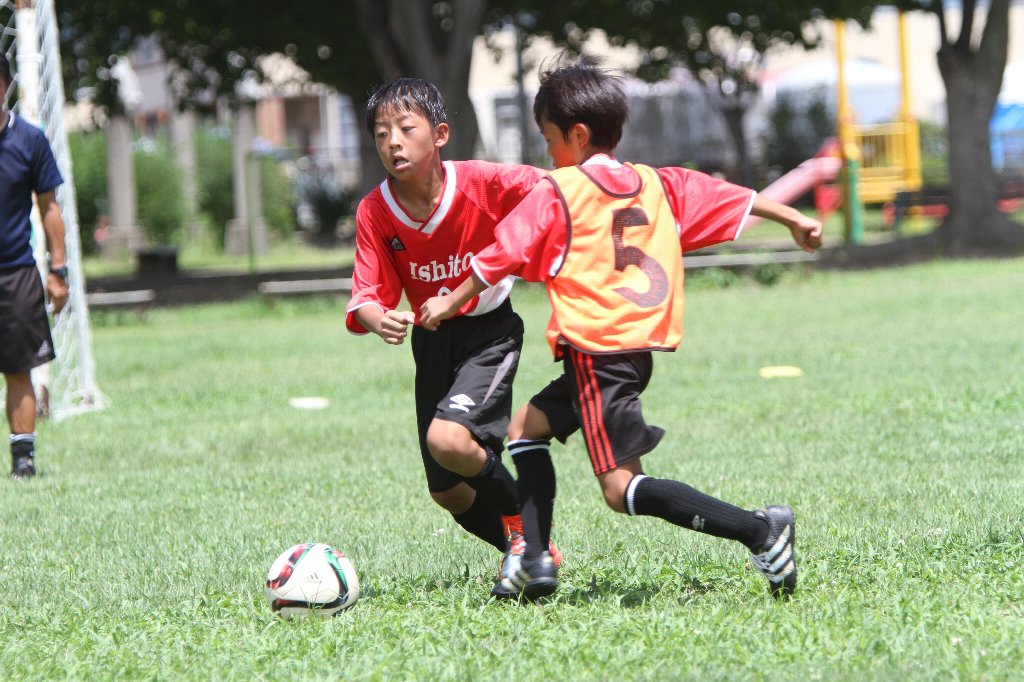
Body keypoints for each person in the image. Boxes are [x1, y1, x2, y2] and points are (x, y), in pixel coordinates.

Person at [421, 56, 823, 600]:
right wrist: (794, 218)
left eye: (549, 139)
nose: (548, 153)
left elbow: (501, 254)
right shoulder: (657, 183)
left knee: (620, 488)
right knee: (526, 430)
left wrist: (450, 300)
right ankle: (535, 558)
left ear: (577, 135)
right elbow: (735, 198)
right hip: (631, 352)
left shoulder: (560, 189)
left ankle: (759, 530)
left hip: (598, 351)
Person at [345, 78, 558, 597]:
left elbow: (554, 190)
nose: (393, 143)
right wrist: (377, 318)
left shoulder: (485, 183)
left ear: (439, 134)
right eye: (381, 134)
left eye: (405, 129)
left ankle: (529, 538)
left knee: (449, 441)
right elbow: (365, 294)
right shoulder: (375, 210)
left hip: (489, 333)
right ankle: (527, 553)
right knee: (448, 491)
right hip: (432, 342)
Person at [0, 53, 68, 480]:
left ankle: (23, 462)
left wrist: (58, 271)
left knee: (18, 369)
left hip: (16, 273)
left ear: (4, 86)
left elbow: (49, 208)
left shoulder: (30, 140)